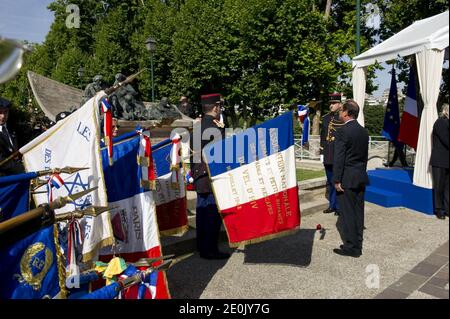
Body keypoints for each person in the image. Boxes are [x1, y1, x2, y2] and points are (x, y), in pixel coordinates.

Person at [190, 93, 230, 260]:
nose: (220, 108)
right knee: (212, 214)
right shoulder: (216, 127)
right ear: (215, 107)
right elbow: (220, 155)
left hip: (200, 176)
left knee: (202, 213)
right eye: (219, 105)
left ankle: (203, 247)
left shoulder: (198, 126)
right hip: (211, 176)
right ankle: (211, 250)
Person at [332, 99, 369, 258]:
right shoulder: (363, 131)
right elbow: (364, 157)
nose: (340, 113)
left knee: (347, 214)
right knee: (358, 212)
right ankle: (358, 242)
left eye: (341, 110)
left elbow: (339, 158)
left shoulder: (342, 131)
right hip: (360, 176)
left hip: (347, 178)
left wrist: (336, 179)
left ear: (346, 113)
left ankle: (351, 247)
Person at [320, 92, 344, 215]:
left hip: (338, 154)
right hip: (328, 154)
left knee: (338, 180)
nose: (331, 105)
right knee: (330, 181)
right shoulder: (325, 118)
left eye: (334, 103)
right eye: (330, 103)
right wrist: (321, 152)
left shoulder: (343, 118)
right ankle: (332, 205)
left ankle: (339, 206)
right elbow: (323, 136)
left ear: (340, 104)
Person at [430, 103, 449, 220]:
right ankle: (439, 209)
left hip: (446, 160)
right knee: (439, 186)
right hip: (440, 160)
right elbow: (446, 140)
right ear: (445, 111)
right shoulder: (440, 122)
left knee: (447, 187)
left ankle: (447, 209)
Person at [0, 97, 25, 176]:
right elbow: (2, 161)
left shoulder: (12, 129)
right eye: (0, 112)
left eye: (6, 112)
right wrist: (23, 169)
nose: (3, 116)